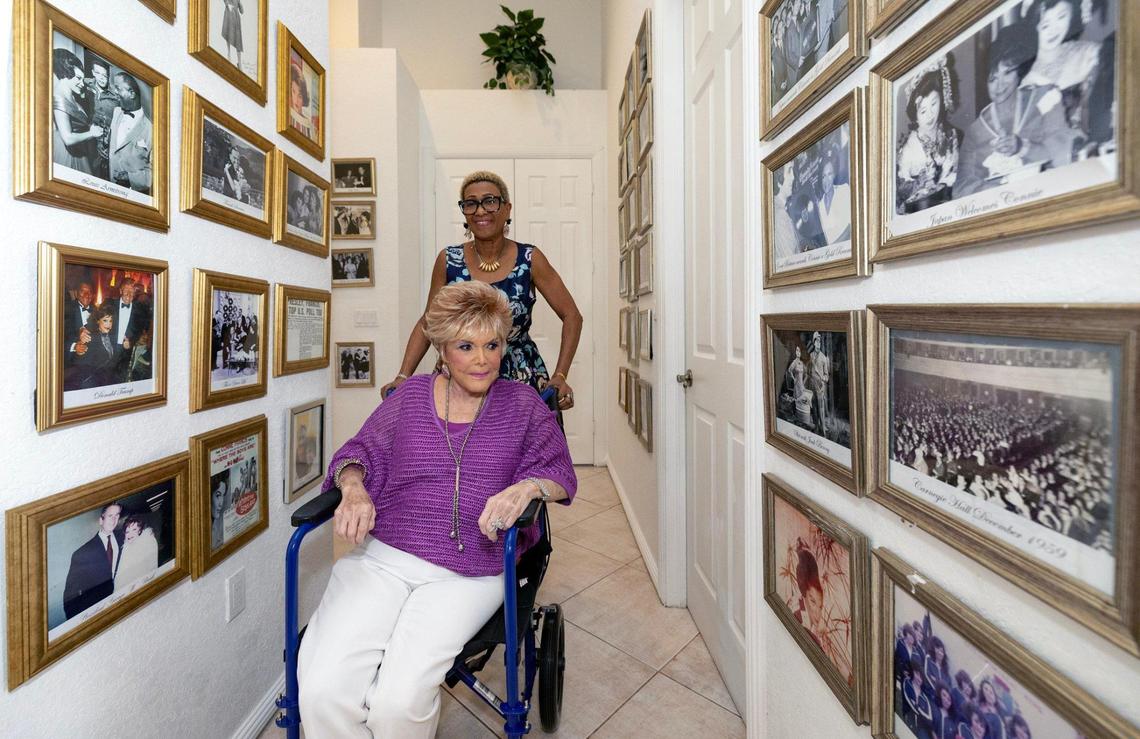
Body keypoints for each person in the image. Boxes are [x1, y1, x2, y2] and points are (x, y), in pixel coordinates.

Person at [298, 280, 576, 736]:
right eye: (466, 346)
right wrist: (353, 486)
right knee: (321, 691)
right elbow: (358, 451)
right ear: (443, 350)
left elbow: (560, 473)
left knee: (398, 702)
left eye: (492, 345)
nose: (482, 359)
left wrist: (526, 488)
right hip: (384, 559)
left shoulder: (522, 404)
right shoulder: (410, 397)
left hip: (470, 571)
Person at [381, 171, 583, 412]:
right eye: (471, 203)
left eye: (489, 201)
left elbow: (572, 315)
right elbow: (428, 321)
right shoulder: (449, 260)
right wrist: (403, 376)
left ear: (507, 209)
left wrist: (561, 375)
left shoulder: (530, 259)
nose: (480, 211)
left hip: (520, 381)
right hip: (460, 380)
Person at [956, 31, 1078, 197]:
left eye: (1007, 73)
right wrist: (996, 190)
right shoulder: (975, 131)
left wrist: (1023, 147)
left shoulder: (1044, 99)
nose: (999, 85)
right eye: (992, 79)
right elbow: (962, 186)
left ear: (1019, 71)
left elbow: (1063, 152)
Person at [1020, 0, 1101, 133]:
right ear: (1033, 27)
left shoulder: (1088, 53)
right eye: (1045, 25)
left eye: (1061, 17)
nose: (1054, 30)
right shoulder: (1028, 82)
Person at [896, 67, 961, 214]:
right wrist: (923, 180)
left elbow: (955, 171)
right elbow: (902, 192)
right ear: (915, 116)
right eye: (923, 111)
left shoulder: (950, 135)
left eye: (934, 104)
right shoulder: (908, 149)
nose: (930, 115)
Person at [62, 503, 123, 620]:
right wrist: (75, 622)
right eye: (110, 516)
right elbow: (70, 594)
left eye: (117, 515)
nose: (114, 520)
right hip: (96, 611)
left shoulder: (123, 539)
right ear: (101, 520)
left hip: (119, 601)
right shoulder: (82, 553)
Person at [52, 48, 102, 176]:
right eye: (78, 78)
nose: (82, 83)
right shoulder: (59, 98)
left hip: (79, 149)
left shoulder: (71, 94)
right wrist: (92, 133)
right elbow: (68, 138)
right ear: (65, 74)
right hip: (68, 155)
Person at [107, 72, 153, 194]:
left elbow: (156, 174)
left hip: (132, 195)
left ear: (132, 94)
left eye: (118, 88)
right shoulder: (116, 112)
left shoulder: (151, 130)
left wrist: (130, 178)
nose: (114, 92)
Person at [70, 306, 125, 389]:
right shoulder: (90, 338)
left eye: (111, 321)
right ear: (98, 321)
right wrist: (79, 351)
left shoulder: (112, 337)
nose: (109, 324)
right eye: (105, 320)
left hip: (108, 380)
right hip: (93, 383)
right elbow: (81, 365)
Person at [85, 55, 119, 180]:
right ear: (93, 72)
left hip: (106, 142)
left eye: (104, 75)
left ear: (108, 75)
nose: (101, 78)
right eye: (98, 73)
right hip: (87, 139)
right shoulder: (84, 84)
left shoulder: (116, 95)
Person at [113, 516, 158, 594]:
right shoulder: (126, 547)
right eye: (127, 531)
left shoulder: (147, 542)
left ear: (140, 531)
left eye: (134, 529)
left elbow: (151, 569)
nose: (130, 534)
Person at [816, 150, 851, 244]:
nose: (826, 180)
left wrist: (833, 246)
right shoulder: (819, 206)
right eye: (823, 176)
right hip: (831, 251)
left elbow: (851, 226)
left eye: (829, 174)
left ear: (834, 175)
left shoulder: (844, 190)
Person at [64, 281, 96, 365]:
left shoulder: (97, 311)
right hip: (72, 362)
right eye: (82, 291)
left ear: (93, 295)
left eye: (89, 292)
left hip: (92, 361)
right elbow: (58, 337)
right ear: (76, 293)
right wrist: (74, 346)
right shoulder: (65, 309)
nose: (86, 295)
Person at [808, 331, 831, 438]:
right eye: (817, 341)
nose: (818, 343)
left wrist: (823, 379)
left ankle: (823, 428)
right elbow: (809, 371)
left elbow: (827, 375)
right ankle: (816, 426)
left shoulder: (823, 358)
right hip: (812, 386)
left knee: (821, 408)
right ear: (814, 343)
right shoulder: (811, 355)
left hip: (820, 387)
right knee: (814, 408)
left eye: (819, 342)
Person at [288, 62, 314, 139]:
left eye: (300, 96)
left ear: (304, 98)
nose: (296, 100)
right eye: (293, 91)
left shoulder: (309, 126)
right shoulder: (287, 114)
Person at [220, 0, 244, 70]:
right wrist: (228, 5)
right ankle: (229, 55)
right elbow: (225, 2)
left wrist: (240, 4)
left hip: (236, 17)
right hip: (229, 15)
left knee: (238, 40)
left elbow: (242, 11)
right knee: (228, 34)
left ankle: (239, 62)